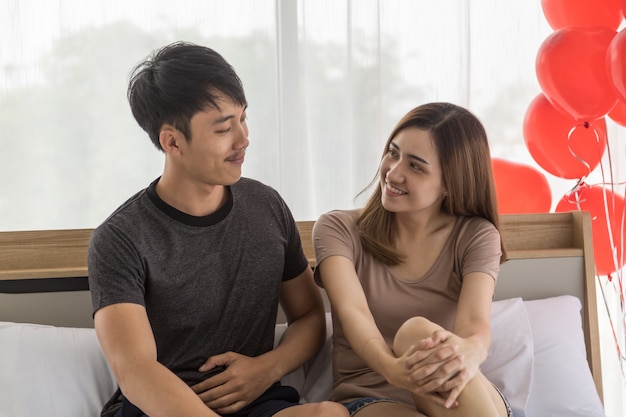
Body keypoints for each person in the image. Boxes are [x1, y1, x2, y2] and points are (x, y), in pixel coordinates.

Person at [88, 41, 349, 417]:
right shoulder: (120, 238)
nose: (243, 139)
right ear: (172, 141)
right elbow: (135, 370)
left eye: (243, 119)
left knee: (331, 415)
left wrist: (267, 368)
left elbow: (310, 316)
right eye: (225, 128)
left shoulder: (267, 206)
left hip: (256, 402)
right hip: (158, 408)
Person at [312, 102, 512, 417]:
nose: (393, 172)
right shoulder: (338, 229)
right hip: (373, 397)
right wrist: (393, 370)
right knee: (417, 332)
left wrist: (472, 351)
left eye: (415, 166)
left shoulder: (476, 235)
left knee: (417, 332)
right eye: (393, 153)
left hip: (458, 394)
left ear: (450, 182)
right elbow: (354, 313)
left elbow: (473, 324)